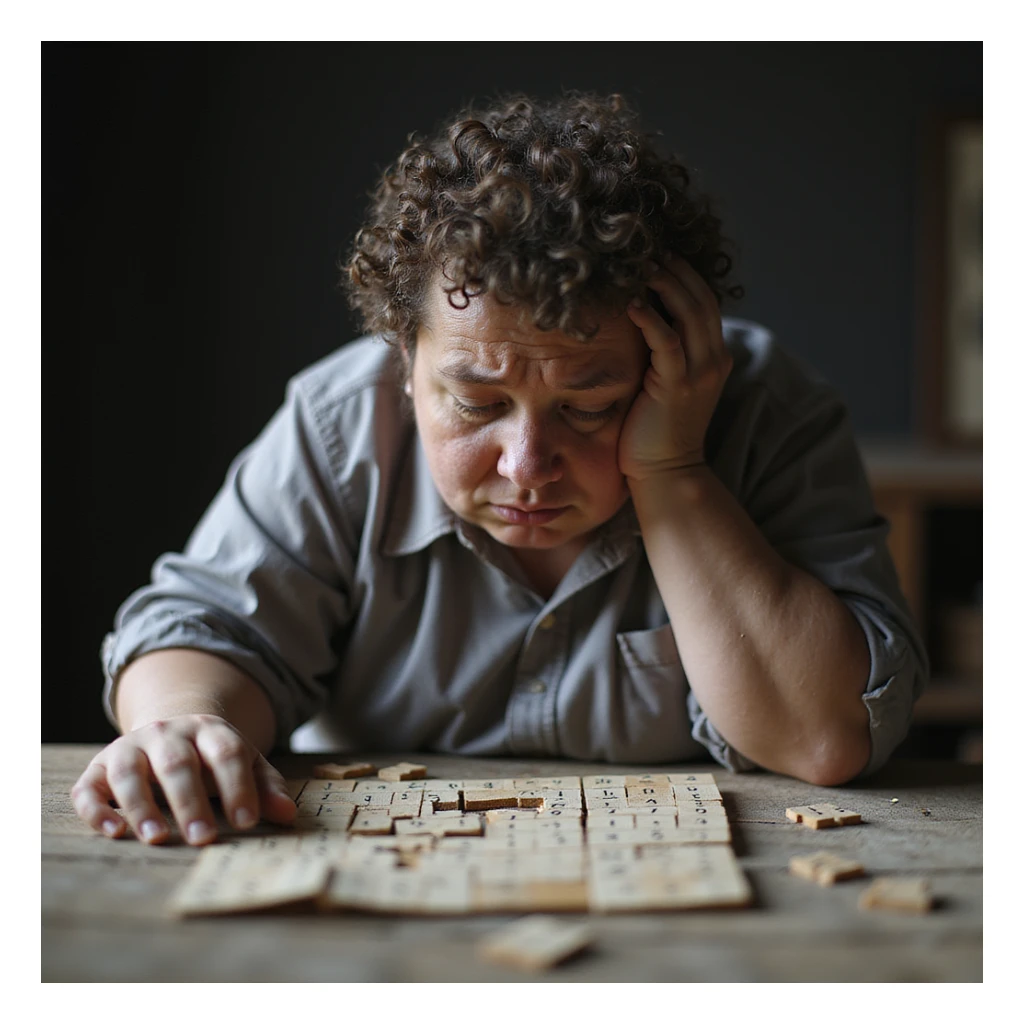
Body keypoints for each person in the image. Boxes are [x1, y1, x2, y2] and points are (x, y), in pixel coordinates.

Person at [71, 92, 926, 847]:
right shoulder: (340, 422)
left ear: (670, 367)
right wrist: (185, 724)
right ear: (405, 359)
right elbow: (206, 628)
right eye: (476, 405)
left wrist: (672, 467)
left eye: (589, 407)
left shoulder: (766, 410)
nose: (527, 467)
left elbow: (824, 736)